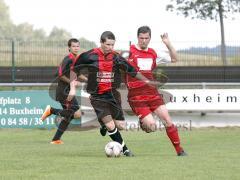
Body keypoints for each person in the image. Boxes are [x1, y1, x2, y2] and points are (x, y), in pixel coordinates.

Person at [67, 31, 156, 156]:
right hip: (97, 96)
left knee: (120, 125)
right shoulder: (88, 56)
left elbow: (132, 70)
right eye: (108, 44)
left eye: (112, 45)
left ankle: (103, 124)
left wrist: (146, 80)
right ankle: (125, 150)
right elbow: (73, 70)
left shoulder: (116, 57)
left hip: (113, 95)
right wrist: (72, 88)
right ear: (101, 42)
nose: (110, 48)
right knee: (110, 125)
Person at [126, 26, 187, 156]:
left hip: (152, 94)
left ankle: (179, 151)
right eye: (141, 38)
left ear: (149, 38)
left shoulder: (154, 53)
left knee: (168, 121)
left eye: (146, 38)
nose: (143, 41)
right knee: (151, 127)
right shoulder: (129, 52)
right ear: (137, 38)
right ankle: (144, 121)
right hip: (136, 96)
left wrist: (168, 44)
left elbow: (175, 59)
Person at [41, 38, 87, 144]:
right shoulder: (68, 59)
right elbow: (60, 75)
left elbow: (78, 74)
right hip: (63, 91)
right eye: (74, 46)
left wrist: (88, 80)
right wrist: (72, 82)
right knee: (75, 109)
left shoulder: (76, 60)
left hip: (67, 90)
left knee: (70, 116)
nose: (76, 48)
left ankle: (56, 139)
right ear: (69, 48)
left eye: (77, 46)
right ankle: (51, 110)